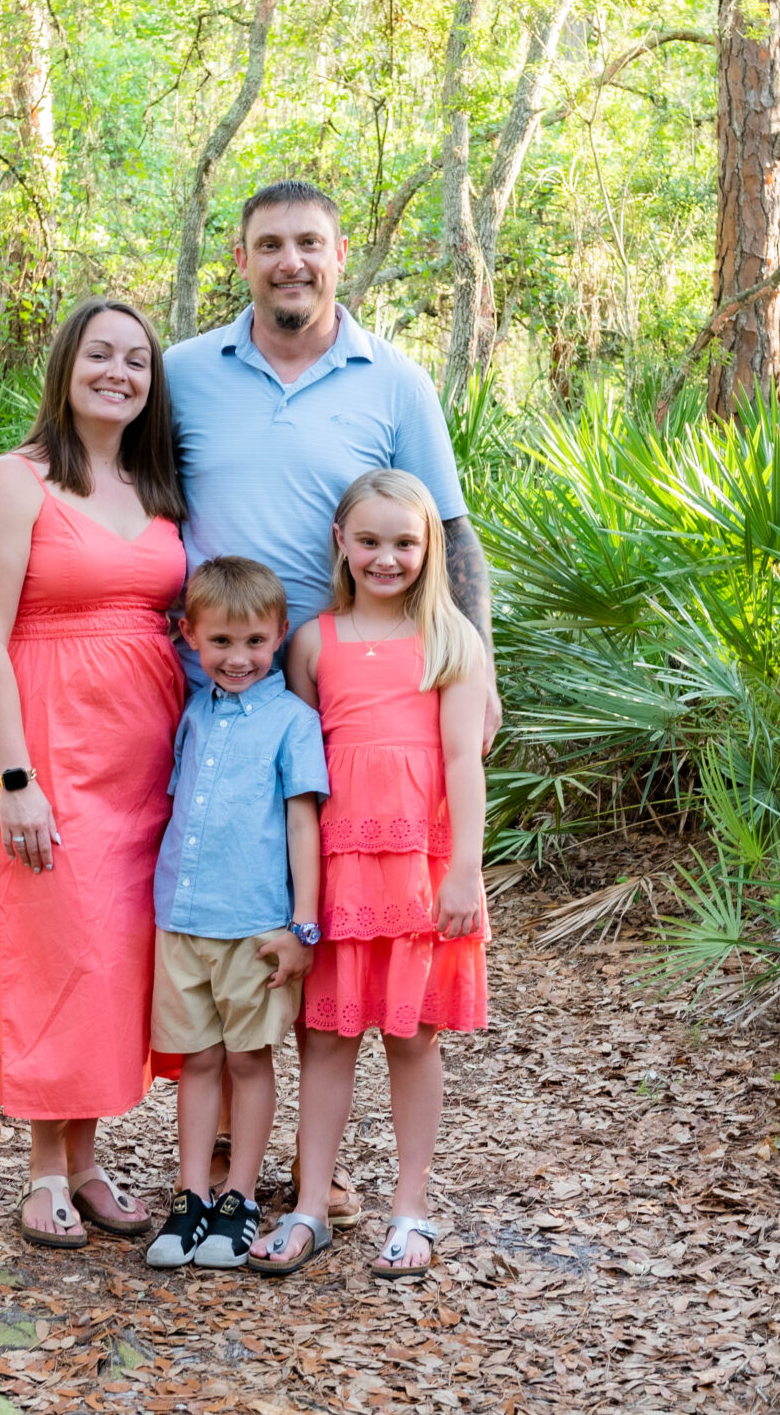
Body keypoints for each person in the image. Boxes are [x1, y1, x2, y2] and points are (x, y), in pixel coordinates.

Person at [165, 178, 501, 1226]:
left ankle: (317, 1174)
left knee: (326, 944)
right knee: (229, 919)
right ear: (241, 256)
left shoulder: (392, 381)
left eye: (308, 242)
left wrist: (479, 667)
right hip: (209, 699)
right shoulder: (182, 374)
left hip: (354, 713)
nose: (290, 261)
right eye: (270, 244)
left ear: (339, 252)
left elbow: (451, 531)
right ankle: (227, 1163)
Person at [0, 298, 186, 1250]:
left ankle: (88, 1162)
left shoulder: (156, 485)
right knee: (54, 941)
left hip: (149, 756)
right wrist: (17, 776)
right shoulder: (16, 482)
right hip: (50, 741)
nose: (119, 373)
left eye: (136, 360)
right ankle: (45, 1171)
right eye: (101, 354)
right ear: (67, 364)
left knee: (113, 957)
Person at [250, 470, 489, 1280]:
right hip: (338, 866)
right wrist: (295, 885)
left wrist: (464, 871)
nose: (387, 558)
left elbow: (463, 758)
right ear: (342, 545)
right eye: (371, 541)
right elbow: (299, 765)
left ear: (430, 551)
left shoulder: (453, 641)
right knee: (325, 1036)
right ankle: (310, 1203)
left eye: (406, 543)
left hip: (421, 866)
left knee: (412, 1037)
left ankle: (411, 1209)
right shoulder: (315, 641)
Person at [142, 557, 328, 1272]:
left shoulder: (292, 720)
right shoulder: (193, 712)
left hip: (256, 926)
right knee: (197, 1058)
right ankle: (191, 1195)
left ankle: (240, 1196)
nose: (239, 657)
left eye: (254, 640)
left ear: (280, 634)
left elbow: (303, 823)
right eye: (220, 641)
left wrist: (302, 924)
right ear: (190, 636)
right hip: (183, 917)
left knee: (249, 1059)